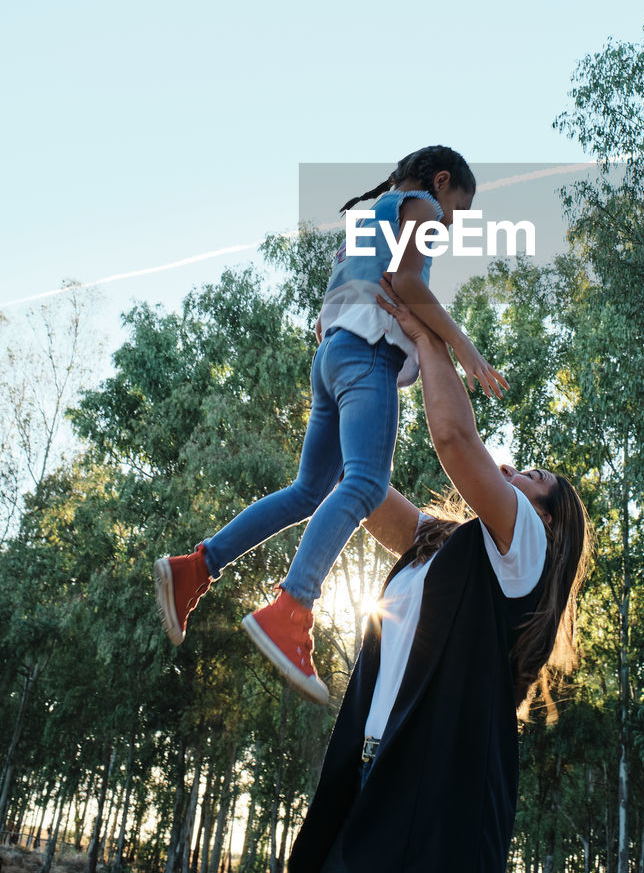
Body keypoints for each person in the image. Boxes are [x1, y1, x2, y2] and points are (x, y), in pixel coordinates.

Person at [153, 146, 507, 704]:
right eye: (456, 213)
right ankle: (292, 609)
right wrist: (463, 347)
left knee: (309, 491)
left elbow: (344, 297)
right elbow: (407, 283)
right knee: (364, 483)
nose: (450, 226)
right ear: (441, 184)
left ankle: (195, 568)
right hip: (368, 357)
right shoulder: (419, 208)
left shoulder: (371, 214)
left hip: (333, 357)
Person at [287, 276, 592, 873]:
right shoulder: (444, 546)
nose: (510, 468)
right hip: (370, 781)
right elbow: (358, 481)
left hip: (435, 812)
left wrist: (427, 336)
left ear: (551, 522)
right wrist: (346, 362)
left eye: (530, 477)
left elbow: (454, 438)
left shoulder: (526, 545)